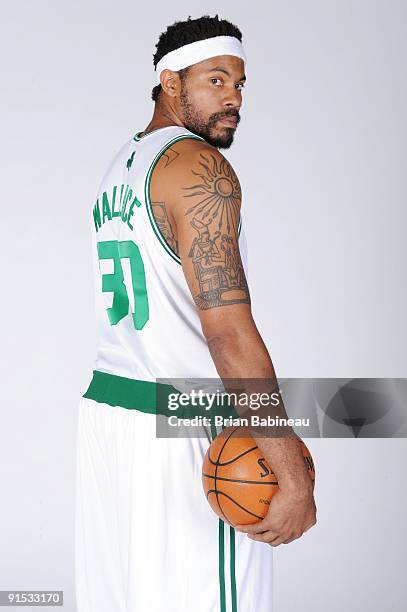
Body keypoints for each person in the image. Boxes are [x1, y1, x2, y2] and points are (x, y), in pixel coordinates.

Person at [76, 14, 317, 612]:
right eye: (216, 80)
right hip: (183, 424)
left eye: (239, 84)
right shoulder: (199, 169)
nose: (233, 98)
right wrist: (290, 468)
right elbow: (229, 336)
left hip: (111, 413)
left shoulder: (118, 169)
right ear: (170, 81)